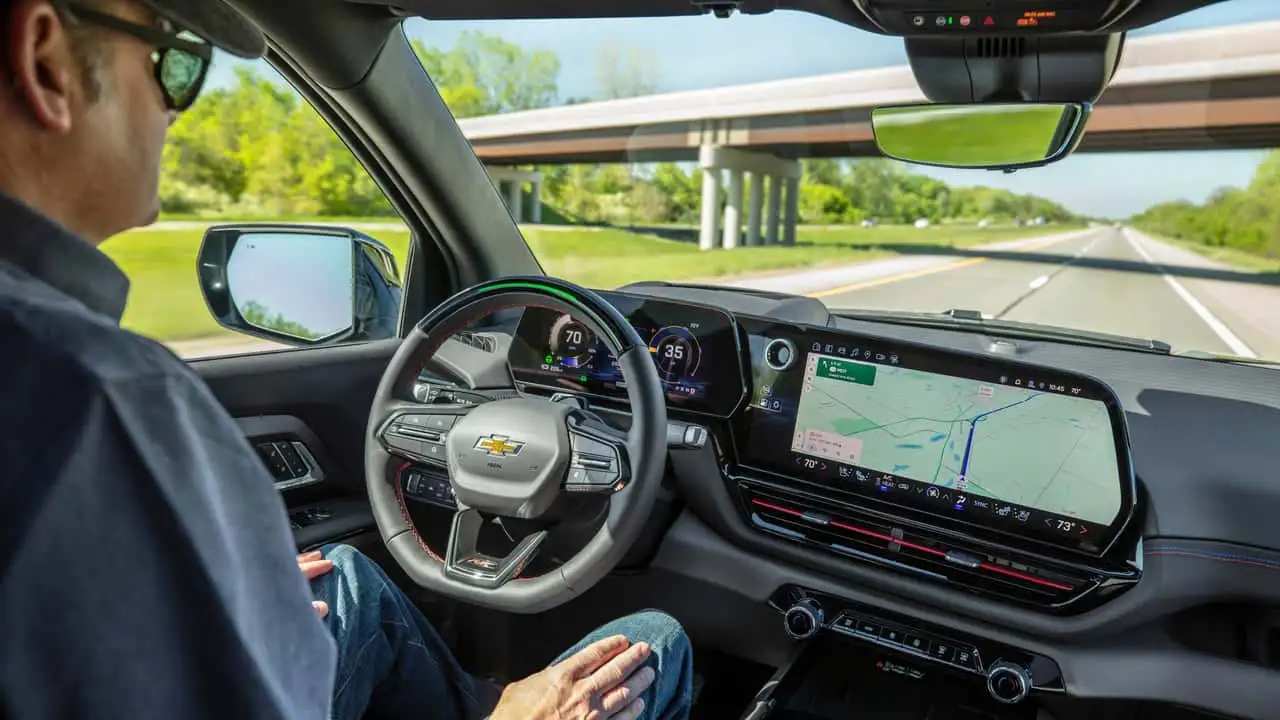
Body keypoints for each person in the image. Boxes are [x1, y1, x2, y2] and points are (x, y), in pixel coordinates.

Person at [0, 1, 693, 718]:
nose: (175, 109)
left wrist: (205, 607)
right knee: (655, 644)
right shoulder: (102, 397)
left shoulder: (59, 384)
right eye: (174, 65)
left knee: (347, 579)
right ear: (45, 60)